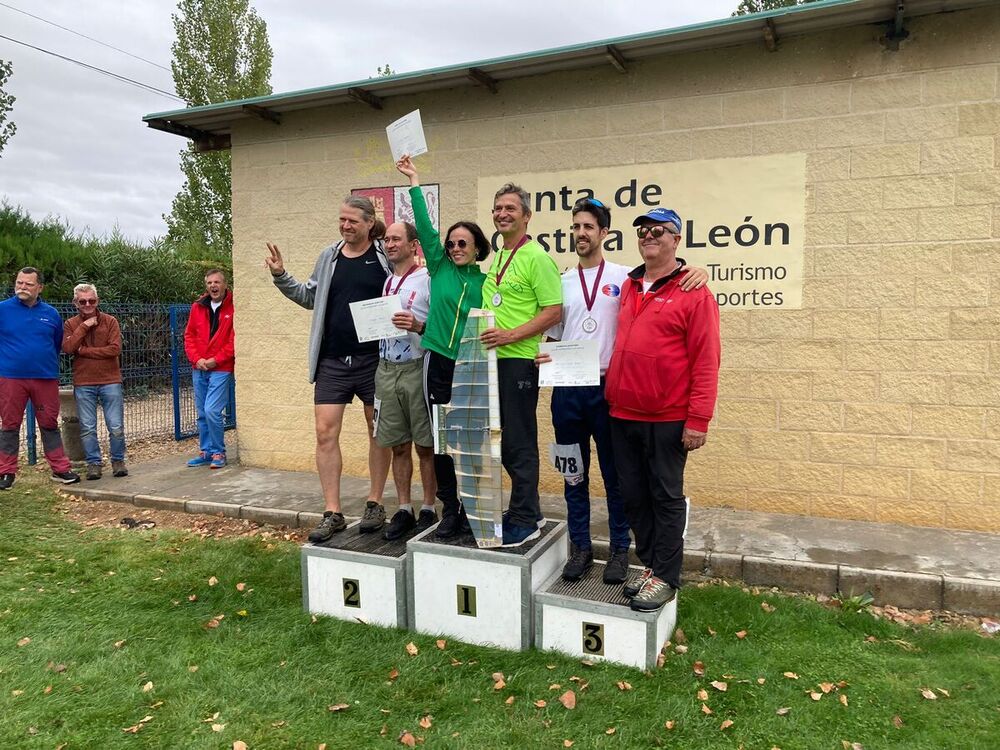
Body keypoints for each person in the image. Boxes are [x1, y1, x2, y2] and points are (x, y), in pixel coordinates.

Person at [541, 199, 708, 583]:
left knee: (617, 477)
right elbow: (552, 332)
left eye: (588, 227)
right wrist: (544, 357)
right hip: (567, 390)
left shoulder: (625, 278)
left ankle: (619, 550)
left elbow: (667, 278)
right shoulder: (560, 281)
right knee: (573, 474)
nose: (581, 233)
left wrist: (696, 270)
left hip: (608, 391)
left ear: (604, 234)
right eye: (575, 227)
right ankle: (580, 547)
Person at [605, 207, 721, 612]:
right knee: (633, 497)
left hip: (668, 416)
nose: (648, 236)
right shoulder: (630, 284)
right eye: (642, 231)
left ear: (676, 239)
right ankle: (654, 566)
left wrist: (699, 419)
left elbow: (707, 359)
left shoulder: (695, 292)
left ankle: (667, 576)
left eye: (658, 231)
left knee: (665, 497)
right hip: (622, 413)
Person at [266, 197, 392, 542]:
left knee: (378, 431)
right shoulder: (329, 256)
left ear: (369, 223)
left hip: (374, 361)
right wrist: (280, 275)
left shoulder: (384, 257)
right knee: (324, 433)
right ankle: (332, 511)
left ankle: (375, 503)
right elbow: (308, 296)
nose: (345, 225)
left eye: (352, 220)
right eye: (342, 220)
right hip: (333, 361)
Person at [396, 155, 490, 539]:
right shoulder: (440, 268)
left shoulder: (488, 281)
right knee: (441, 440)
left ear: (477, 247)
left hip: (471, 365)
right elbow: (426, 229)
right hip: (437, 360)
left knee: (471, 439)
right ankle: (451, 509)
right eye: (451, 243)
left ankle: (473, 508)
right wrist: (415, 181)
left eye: (462, 243)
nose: (454, 248)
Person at [480, 183, 563, 546]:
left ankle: (526, 519)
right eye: (498, 208)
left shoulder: (537, 258)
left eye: (510, 208)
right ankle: (527, 508)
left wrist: (511, 336)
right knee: (502, 440)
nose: (502, 214)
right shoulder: (497, 258)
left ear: (526, 216)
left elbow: (553, 311)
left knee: (519, 441)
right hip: (493, 361)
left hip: (518, 361)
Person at [376, 221, 437, 540]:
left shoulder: (427, 280)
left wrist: (419, 325)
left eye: (396, 239)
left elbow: (437, 325)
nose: (390, 244)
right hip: (387, 369)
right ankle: (404, 508)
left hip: (417, 367)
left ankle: (428, 507)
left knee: (425, 445)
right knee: (398, 444)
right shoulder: (387, 283)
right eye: (386, 239)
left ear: (414, 245)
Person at [0, 267, 80, 489]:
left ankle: (60, 469)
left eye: (28, 284)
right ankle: (6, 472)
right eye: (19, 283)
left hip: (45, 377)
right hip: (10, 378)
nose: (22, 287)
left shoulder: (52, 314)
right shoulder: (3, 310)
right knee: (9, 425)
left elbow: (55, 343)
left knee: (48, 424)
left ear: (40, 287)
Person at [62, 283, 127, 480]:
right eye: (83, 301)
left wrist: (84, 351)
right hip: (84, 382)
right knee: (88, 427)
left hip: (110, 380)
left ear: (97, 300)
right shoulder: (70, 325)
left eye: (92, 300)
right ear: (76, 303)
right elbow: (68, 347)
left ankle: (118, 461)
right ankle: (93, 464)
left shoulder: (110, 322)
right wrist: (84, 326)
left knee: (116, 426)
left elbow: (115, 349)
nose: (88, 304)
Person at [184, 269, 235, 470]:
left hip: (221, 367)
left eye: (217, 282)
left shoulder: (234, 307)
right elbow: (189, 336)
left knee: (212, 410)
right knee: (202, 413)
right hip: (199, 367)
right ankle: (205, 451)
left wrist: (216, 359)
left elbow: (234, 340)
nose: (213, 286)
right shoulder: (197, 307)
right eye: (209, 283)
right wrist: (198, 359)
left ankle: (218, 452)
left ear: (224, 284)